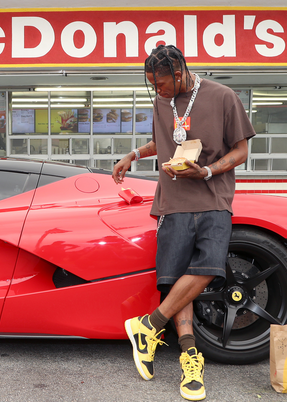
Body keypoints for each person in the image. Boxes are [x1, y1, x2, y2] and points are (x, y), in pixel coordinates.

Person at [112, 45, 255, 401]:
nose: (155, 91)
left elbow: (241, 151)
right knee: (176, 280)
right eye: (151, 84)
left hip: (214, 197)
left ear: (178, 74)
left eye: (159, 83)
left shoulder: (223, 96)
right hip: (173, 202)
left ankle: (149, 326)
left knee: (207, 267)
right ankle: (191, 360)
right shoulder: (162, 100)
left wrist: (207, 171)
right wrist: (133, 154)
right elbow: (163, 143)